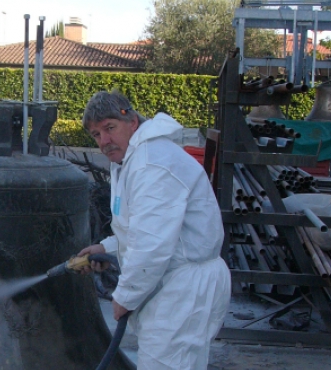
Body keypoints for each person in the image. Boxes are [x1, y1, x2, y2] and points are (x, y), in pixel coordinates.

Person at [78, 90, 231, 370]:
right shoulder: (132, 160)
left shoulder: (152, 164)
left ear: (132, 121)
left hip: (182, 288)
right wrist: (107, 248)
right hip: (172, 283)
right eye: (97, 135)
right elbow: (141, 226)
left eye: (110, 128)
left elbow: (152, 245)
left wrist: (124, 296)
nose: (105, 141)